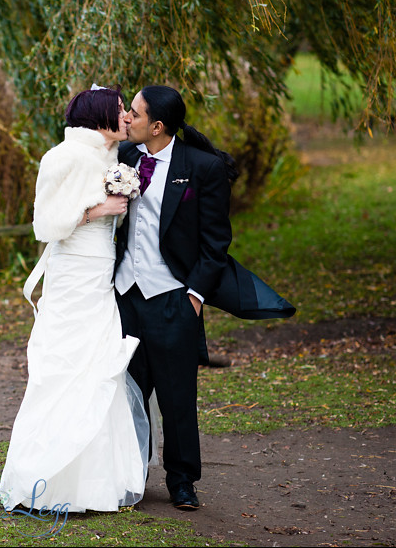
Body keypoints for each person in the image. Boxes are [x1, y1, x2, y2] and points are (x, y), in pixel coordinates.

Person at [114, 85, 295, 510]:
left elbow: (216, 244)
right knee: (126, 392)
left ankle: (181, 481)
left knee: (177, 394)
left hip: (173, 297)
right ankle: (127, 474)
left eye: (135, 115)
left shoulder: (202, 169)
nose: (127, 120)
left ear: (157, 126)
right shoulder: (124, 158)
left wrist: (194, 297)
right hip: (123, 296)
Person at [0, 86, 159, 513]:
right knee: (66, 364)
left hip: (99, 276)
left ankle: (94, 484)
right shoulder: (62, 157)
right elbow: (44, 225)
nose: (127, 115)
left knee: (98, 365)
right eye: (121, 109)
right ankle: (47, 480)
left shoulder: (110, 159)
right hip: (72, 276)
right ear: (100, 116)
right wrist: (95, 211)